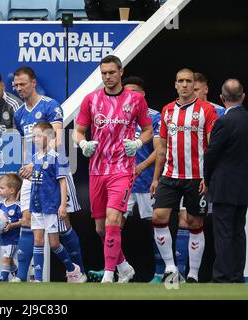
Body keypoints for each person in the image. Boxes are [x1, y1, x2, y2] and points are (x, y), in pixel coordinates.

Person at [73, 55, 153, 283]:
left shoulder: (135, 99)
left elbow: (148, 130)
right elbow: (78, 131)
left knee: (113, 220)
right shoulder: (91, 99)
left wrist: (138, 143)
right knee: (101, 228)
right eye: (104, 73)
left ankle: (109, 275)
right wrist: (83, 143)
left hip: (122, 169)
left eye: (111, 72)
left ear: (120, 71)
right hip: (97, 170)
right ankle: (124, 265)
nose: (107, 77)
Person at [86, 76, 162, 283]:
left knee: (156, 225)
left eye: (134, 92)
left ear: (143, 94)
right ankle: (118, 265)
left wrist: (141, 166)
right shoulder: (114, 113)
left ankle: (160, 271)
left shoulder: (154, 116)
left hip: (145, 180)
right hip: (118, 176)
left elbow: (159, 149)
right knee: (108, 226)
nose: (129, 96)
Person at [12, 66, 84, 282]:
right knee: (27, 219)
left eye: (22, 84)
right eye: (16, 85)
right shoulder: (19, 114)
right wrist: (25, 166)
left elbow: (57, 140)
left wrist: (37, 163)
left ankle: (78, 271)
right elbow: (25, 145)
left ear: (33, 83)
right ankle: (23, 278)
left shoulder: (51, 105)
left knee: (63, 227)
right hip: (31, 175)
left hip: (52, 171)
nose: (19, 88)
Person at [150, 68, 218, 283]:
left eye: (189, 81)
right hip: (170, 175)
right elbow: (161, 148)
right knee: (158, 217)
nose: (185, 84)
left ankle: (193, 274)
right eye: (181, 81)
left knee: (194, 223)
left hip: (197, 177)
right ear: (176, 84)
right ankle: (171, 268)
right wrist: (155, 178)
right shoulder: (167, 110)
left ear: (193, 84)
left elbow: (213, 146)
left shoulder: (207, 110)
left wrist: (209, 176)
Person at [30, 122, 86, 282]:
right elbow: (38, 180)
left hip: (51, 206)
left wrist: (62, 205)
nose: (35, 139)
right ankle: (38, 279)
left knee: (54, 244)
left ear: (48, 136)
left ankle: (72, 269)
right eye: (34, 136)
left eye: (39, 136)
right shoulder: (35, 158)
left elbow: (62, 183)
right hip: (37, 206)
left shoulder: (57, 157)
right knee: (38, 240)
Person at [204, 79, 248, 283]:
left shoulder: (223, 122)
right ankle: (237, 275)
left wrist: (207, 178)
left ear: (221, 98)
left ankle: (222, 276)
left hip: (224, 186)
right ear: (243, 97)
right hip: (244, 187)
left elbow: (211, 154)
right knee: (238, 232)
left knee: (223, 232)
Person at [0, 173, 23, 282]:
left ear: (12, 190)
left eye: (2, 188)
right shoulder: (0, 205)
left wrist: (11, 226)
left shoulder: (18, 206)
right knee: (10, 261)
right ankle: (18, 275)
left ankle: (3, 278)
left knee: (6, 259)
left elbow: (22, 222)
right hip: (3, 238)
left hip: (13, 239)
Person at [84, 0, 159, 21]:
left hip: (137, 27)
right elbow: (90, 4)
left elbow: (151, 5)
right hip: (108, 25)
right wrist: (101, 24)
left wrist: (145, 24)